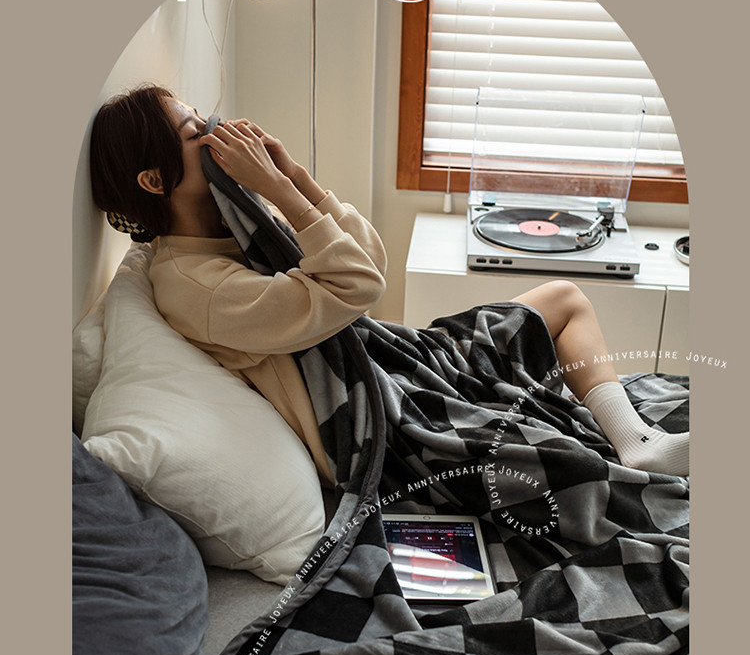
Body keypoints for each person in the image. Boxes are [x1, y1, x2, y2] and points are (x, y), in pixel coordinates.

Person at [89, 83, 689, 479]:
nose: (216, 135)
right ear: (154, 180)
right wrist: (277, 191)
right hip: (379, 414)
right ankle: (631, 450)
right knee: (554, 458)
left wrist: (293, 178)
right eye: (194, 133)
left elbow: (367, 259)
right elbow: (357, 288)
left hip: (390, 355)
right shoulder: (196, 285)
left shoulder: (236, 225)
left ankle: (634, 439)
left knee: (562, 297)